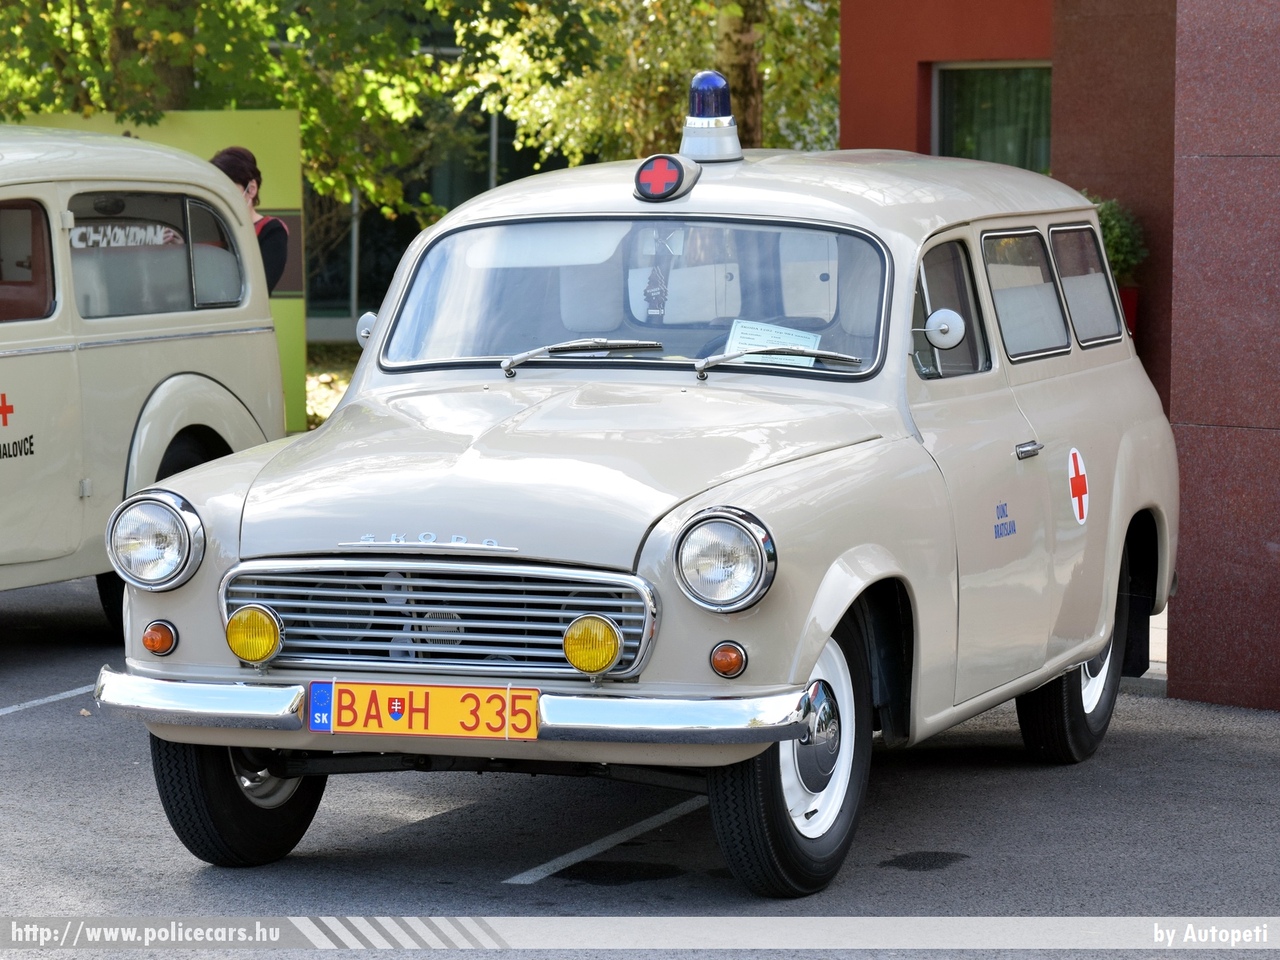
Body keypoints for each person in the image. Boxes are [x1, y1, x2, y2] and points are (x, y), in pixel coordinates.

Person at [210, 146, 288, 294]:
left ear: (251, 189)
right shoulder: (211, 226)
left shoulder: (272, 230)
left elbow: (261, 287)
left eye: (227, 188)